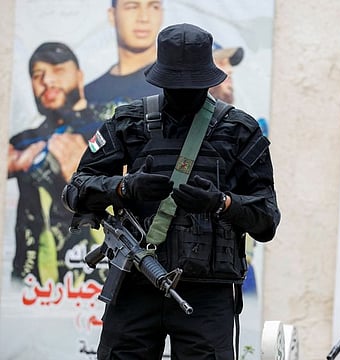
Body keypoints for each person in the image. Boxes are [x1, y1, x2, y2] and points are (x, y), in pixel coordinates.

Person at [62, 23, 280, 359]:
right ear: (159, 79)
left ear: (209, 80)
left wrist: (221, 203)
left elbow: (267, 219)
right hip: (135, 286)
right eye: (175, 85)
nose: (184, 93)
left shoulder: (239, 131)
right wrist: (123, 187)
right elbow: (75, 190)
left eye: (193, 85)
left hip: (206, 296)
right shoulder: (128, 122)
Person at [7, 42, 105, 285]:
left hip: (95, 276)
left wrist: (88, 171)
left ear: (80, 77)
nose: (47, 80)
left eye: (58, 70)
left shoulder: (111, 124)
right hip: (31, 282)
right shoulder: (22, 142)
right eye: (37, 75)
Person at [85, 0, 164, 110]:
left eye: (154, 7)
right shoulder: (89, 95)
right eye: (132, 7)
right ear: (112, 15)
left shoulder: (180, 82)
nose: (144, 18)